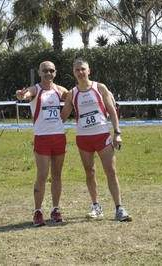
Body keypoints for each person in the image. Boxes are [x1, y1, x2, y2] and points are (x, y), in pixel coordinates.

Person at [61, 58, 132, 222]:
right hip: (83, 138)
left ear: (89, 70)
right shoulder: (72, 93)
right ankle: (96, 206)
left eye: (83, 69)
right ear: (74, 73)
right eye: (77, 70)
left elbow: (112, 112)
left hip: (102, 135)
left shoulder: (99, 88)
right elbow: (62, 117)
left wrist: (117, 132)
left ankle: (119, 208)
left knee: (111, 171)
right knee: (90, 172)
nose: (80, 72)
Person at [16, 61, 68, 227]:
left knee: (57, 174)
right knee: (42, 174)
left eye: (51, 70)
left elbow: (74, 98)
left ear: (55, 72)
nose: (48, 73)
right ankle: (38, 211)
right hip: (42, 137)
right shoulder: (35, 90)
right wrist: (21, 95)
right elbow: (26, 95)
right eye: (45, 70)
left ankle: (55, 209)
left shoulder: (60, 90)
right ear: (39, 72)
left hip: (59, 136)